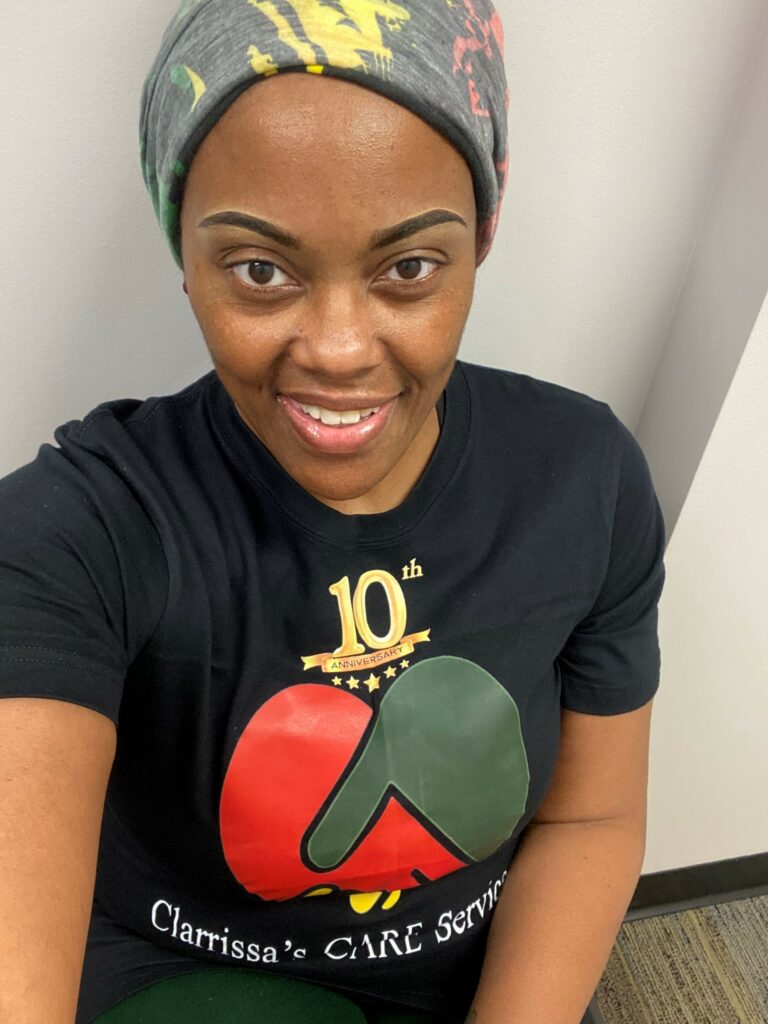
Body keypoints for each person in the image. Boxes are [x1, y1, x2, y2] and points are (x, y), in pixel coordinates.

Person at [0, 1, 666, 1022]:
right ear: (183, 246)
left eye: (408, 268)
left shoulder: (586, 479)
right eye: (261, 270)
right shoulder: (79, 529)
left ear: (481, 237)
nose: (340, 349)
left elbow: (594, 815)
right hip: (181, 981)